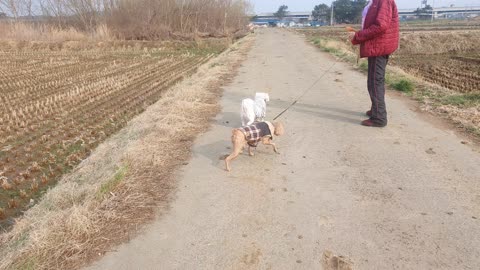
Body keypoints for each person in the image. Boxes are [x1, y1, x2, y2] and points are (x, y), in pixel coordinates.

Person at [349, 0, 399, 127]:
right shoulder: (375, 1)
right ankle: (376, 109)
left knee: (375, 82)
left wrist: (357, 36)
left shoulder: (383, 1)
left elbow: (381, 25)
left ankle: (379, 118)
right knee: (374, 80)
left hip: (379, 46)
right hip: (377, 45)